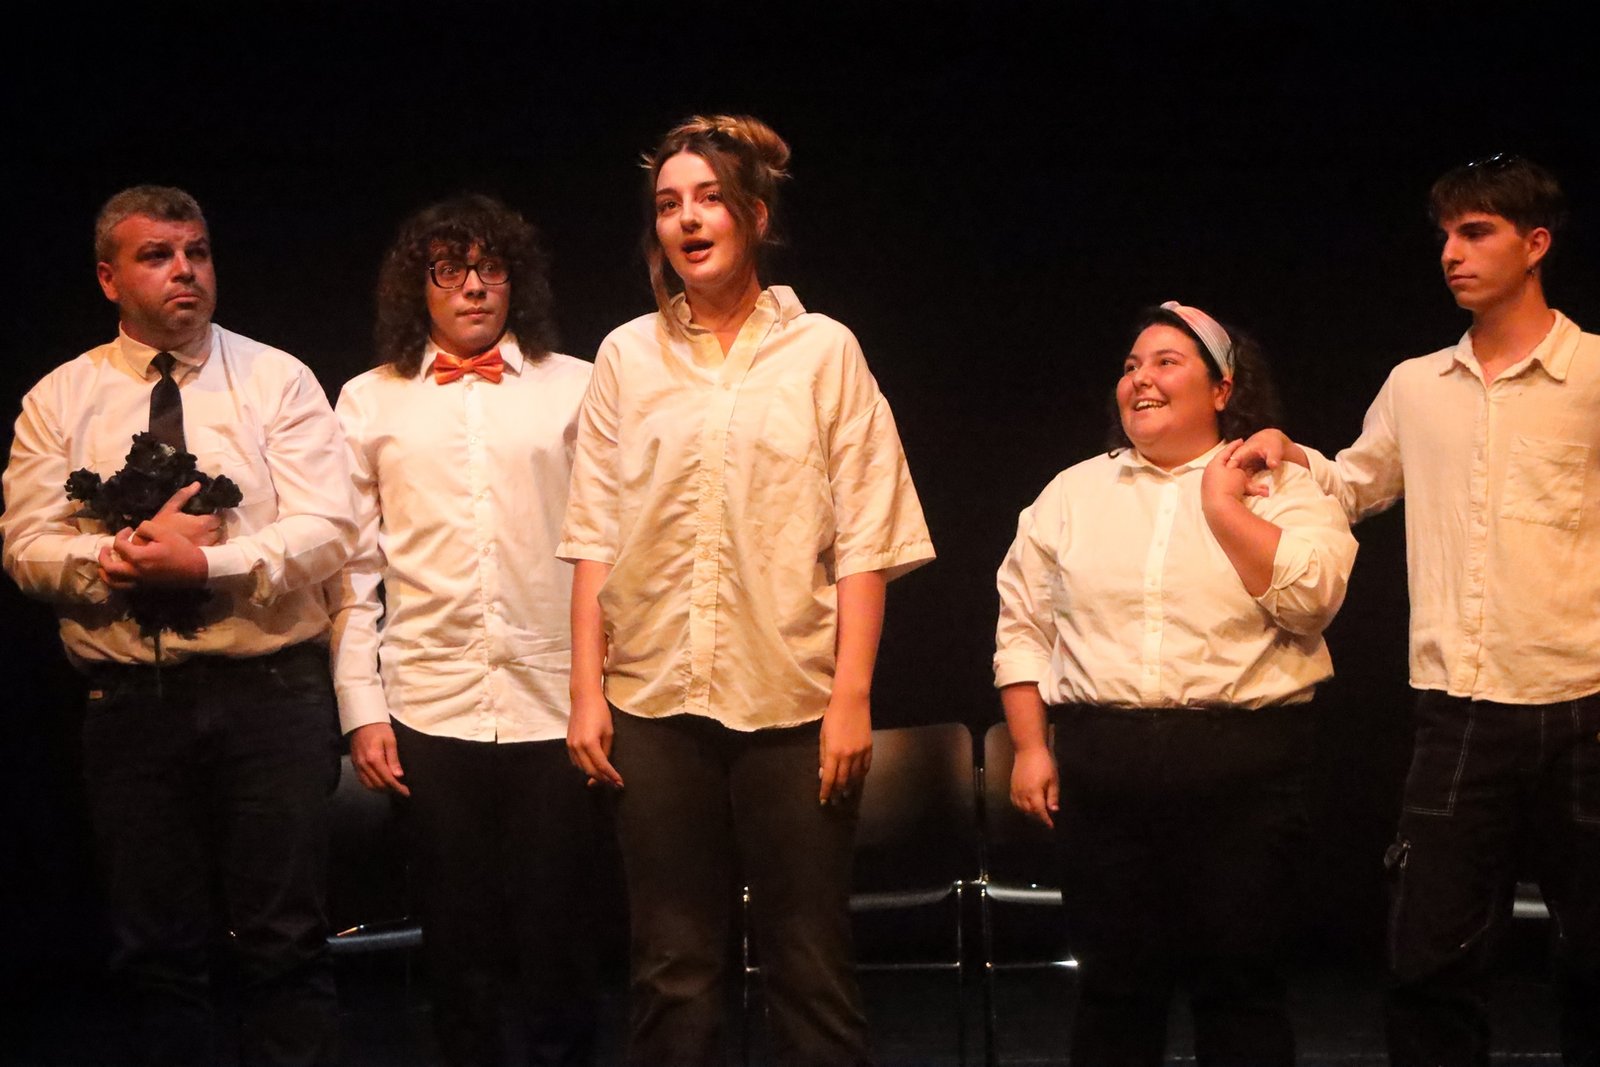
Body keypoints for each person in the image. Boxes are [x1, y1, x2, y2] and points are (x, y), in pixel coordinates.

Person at [559, 114, 935, 1067]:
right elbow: (594, 532)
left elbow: (868, 535)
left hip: (793, 700)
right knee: (672, 967)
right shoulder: (626, 355)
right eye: (668, 205)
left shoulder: (824, 351)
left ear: (756, 216)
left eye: (709, 199)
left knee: (810, 966)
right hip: (654, 700)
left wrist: (851, 698)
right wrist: (585, 689)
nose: (687, 220)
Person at [1228, 155, 1600, 1067]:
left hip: (1586, 704)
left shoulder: (1594, 372)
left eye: (1476, 232)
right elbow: (1356, 483)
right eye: (1444, 235)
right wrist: (1289, 453)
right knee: (1429, 961)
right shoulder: (1415, 384)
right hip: (1458, 707)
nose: (1451, 253)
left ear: (1535, 244)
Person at [0, 185, 355, 1065]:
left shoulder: (276, 379)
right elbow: (26, 546)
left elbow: (329, 529)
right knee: (156, 952)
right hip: (132, 701)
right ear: (108, 278)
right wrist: (118, 557)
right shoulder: (61, 396)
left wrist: (205, 565)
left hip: (270, 695)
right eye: (157, 256)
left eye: (196, 251)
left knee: (286, 942)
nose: (185, 270)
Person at [994, 302, 1358, 1066]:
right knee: (1113, 992)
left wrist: (1222, 506)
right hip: (1106, 770)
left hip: (1247, 772)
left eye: (1166, 362)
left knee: (1240, 991)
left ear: (1223, 388)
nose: (1141, 379)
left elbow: (1312, 598)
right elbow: (1023, 624)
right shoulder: (1073, 493)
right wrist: (1030, 745)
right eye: (1131, 366)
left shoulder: (1279, 483)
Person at [328, 193, 599, 1066]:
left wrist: (607, 685)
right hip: (429, 699)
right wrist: (362, 706)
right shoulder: (368, 400)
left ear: (516, 279)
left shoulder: (579, 384)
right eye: (451, 270)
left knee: (561, 934)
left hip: (558, 698)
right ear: (420, 285)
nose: (474, 287)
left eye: (490, 268)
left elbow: (614, 545)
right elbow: (353, 568)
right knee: (457, 942)